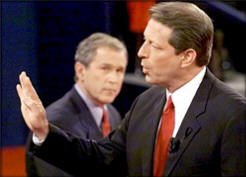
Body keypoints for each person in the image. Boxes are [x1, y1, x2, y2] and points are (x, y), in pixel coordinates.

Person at [17, 2, 246, 177]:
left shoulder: (233, 114)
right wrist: (44, 132)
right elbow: (104, 159)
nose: (141, 52)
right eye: (144, 41)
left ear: (187, 57)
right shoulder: (146, 102)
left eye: (154, 46)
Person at [25, 32, 128, 176]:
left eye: (119, 70)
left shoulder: (112, 114)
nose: (114, 79)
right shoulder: (56, 122)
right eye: (105, 68)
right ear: (80, 70)